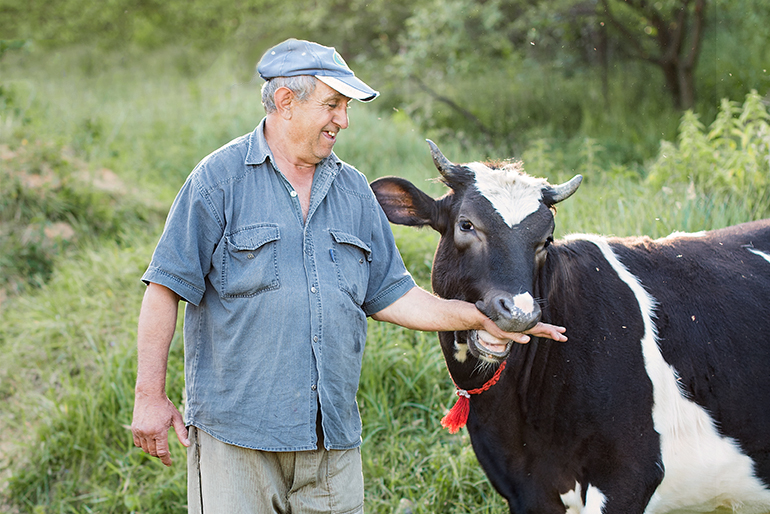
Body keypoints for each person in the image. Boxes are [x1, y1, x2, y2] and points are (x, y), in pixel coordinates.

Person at [130, 38, 566, 514]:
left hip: (330, 443)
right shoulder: (218, 181)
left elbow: (395, 295)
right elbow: (164, 288)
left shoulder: (354, 191)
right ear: (285, 101)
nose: (343, 119)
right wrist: (149, 396)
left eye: (346, 107)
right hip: (237, 440)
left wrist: (480, 317)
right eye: (332, 104)